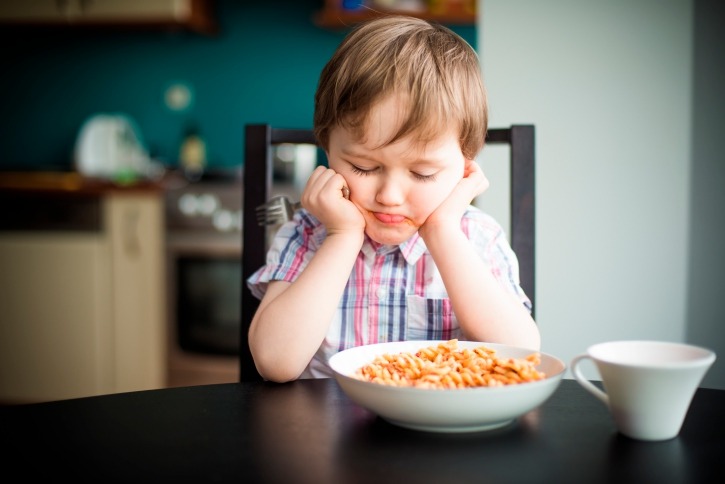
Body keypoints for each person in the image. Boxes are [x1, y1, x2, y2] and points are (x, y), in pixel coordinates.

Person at [247, 15, 540, 383]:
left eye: (423, 174)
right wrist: (342, 236)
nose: (388, 196)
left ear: (466, 165)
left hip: (443, 431)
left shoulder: (477, 237)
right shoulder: (307, 233)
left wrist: (443, 231)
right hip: (325, 431)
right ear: (327, 148)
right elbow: (275, 363)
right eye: (364, 166)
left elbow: (522, 354)